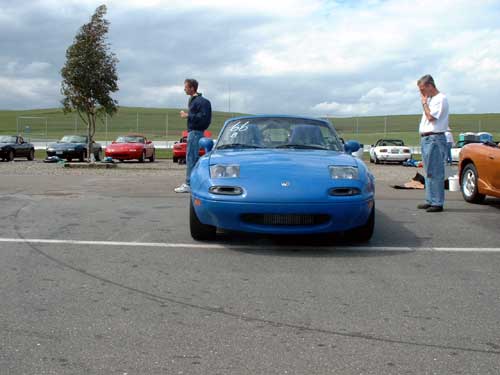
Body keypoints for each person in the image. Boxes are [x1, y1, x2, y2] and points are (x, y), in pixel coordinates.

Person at [416, 74, 449, 212]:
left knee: (435, 171)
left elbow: (431, 117)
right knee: (429, 171)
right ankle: (430, 199)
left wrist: (424, 103)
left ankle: (437, 202)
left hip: (434, 138)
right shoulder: (432, 100)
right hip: (427, 138)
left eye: (423, 89)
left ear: (430, 86)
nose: (422, 93)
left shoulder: (440, 99)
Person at [174, 79, 212, 193]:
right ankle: (196, 182)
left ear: (192, 88)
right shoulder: (196, 101)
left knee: (191, 157)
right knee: (193, 158)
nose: (184, 89)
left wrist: (188, 115)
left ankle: (189, 184)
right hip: (196, 132)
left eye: (186, 87)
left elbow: (203, 117)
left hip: (195, 132)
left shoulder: (200, 102)